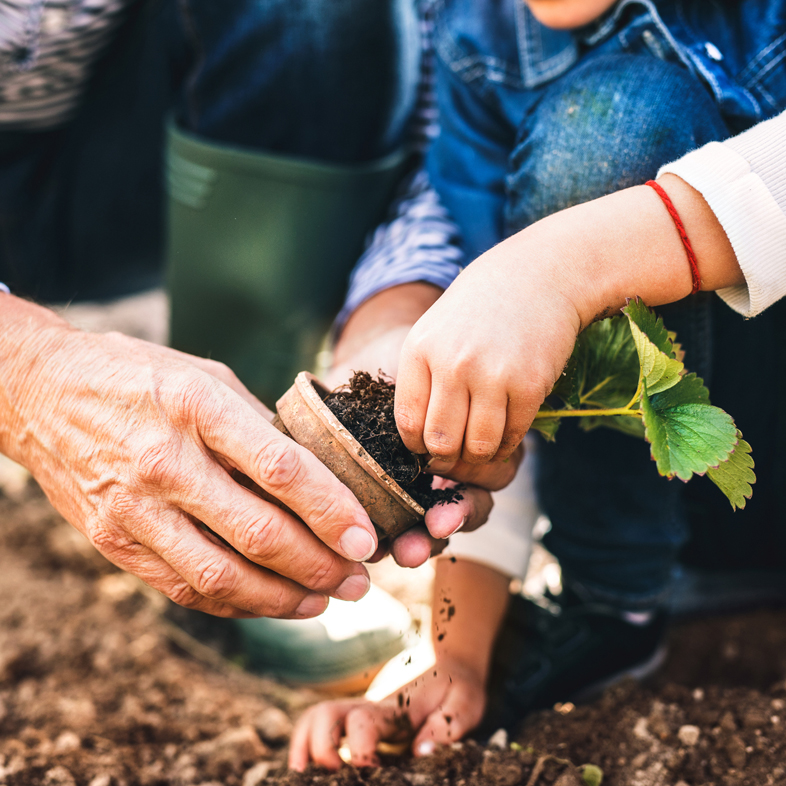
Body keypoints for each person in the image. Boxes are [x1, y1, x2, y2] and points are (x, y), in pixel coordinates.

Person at [288, 0, 786, 769]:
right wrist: (456, 652)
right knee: (606, 125)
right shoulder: (476, 43)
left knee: (615, 117)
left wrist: (570, 264)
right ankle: (608, 602)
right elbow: (495, 363)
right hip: (695, 515)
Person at [0, 0, 507, 629]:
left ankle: (238, 526)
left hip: (128, 150)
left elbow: (444, 102)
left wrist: (397, 305)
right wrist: (27, 371)